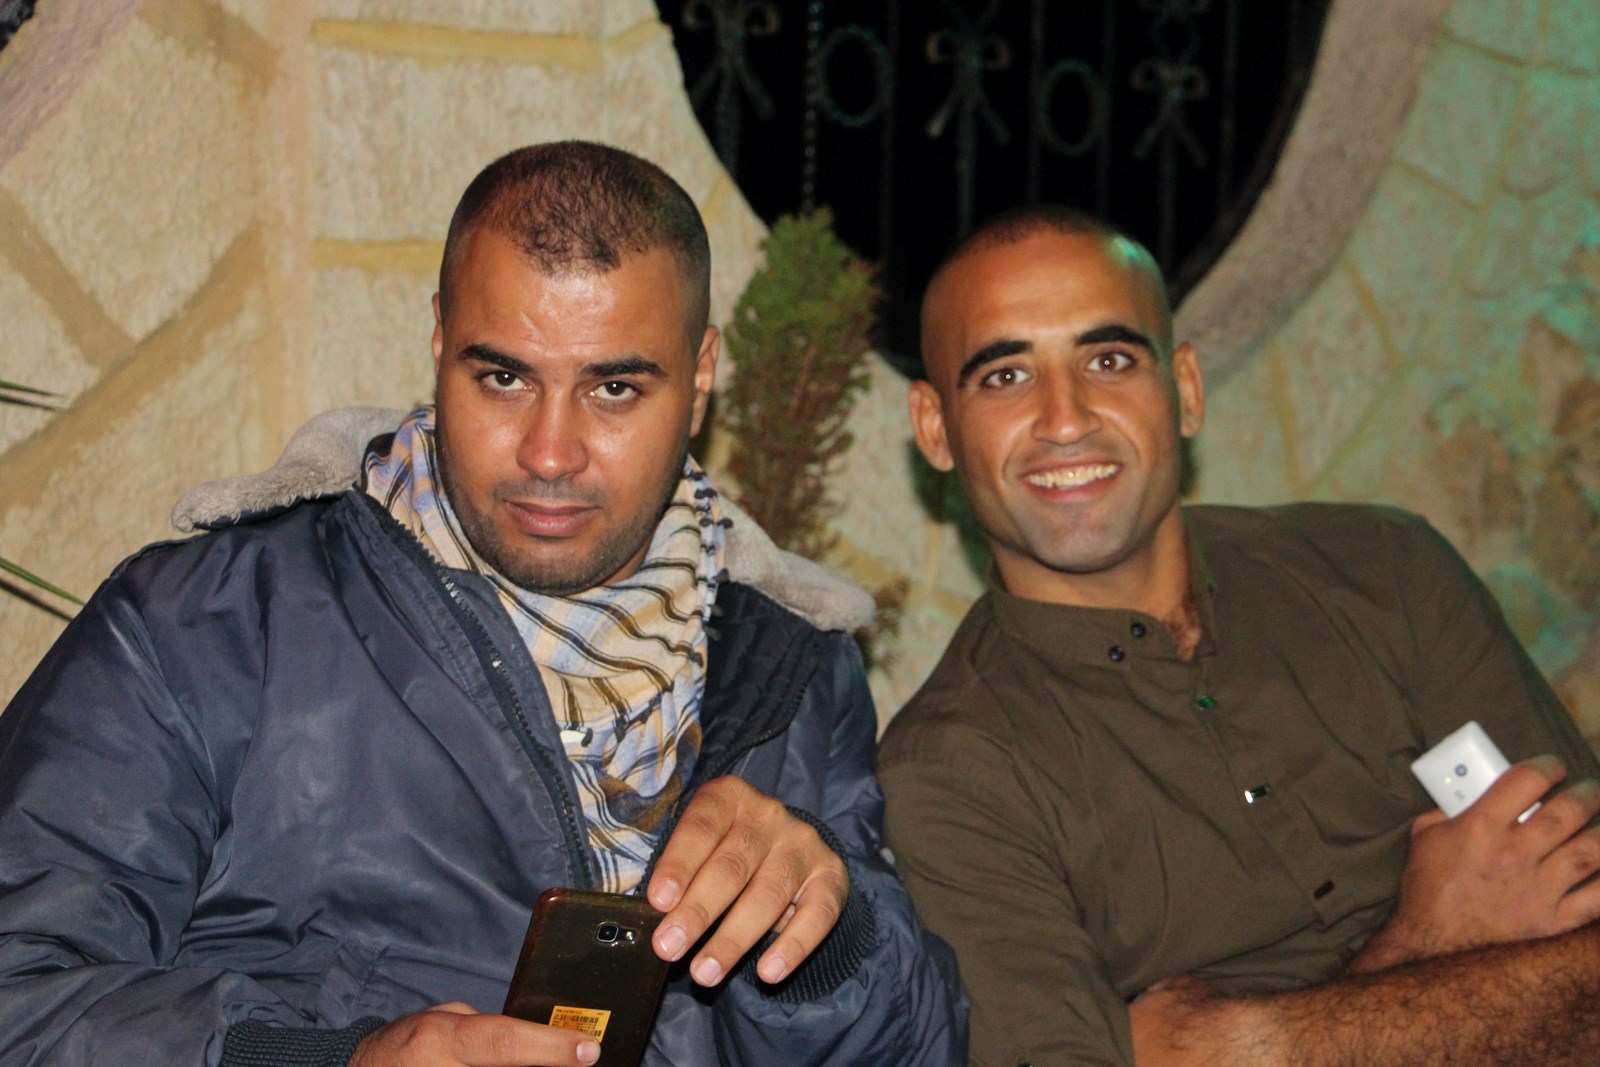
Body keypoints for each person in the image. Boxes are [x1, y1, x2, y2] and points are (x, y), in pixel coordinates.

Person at [0, 141, 966, 1067]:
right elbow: (19, 998)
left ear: (702, 374)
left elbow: (922, 1049)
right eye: (503, 377)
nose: (549, 453)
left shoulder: (794, 669)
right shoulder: (211, 622)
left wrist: (829, 942)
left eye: (614, 388)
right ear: (438, 340)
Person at [876, 205, 1600, 1067]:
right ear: (935, 428)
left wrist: (1224, 1043)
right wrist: (1424, 942)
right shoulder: (947, 773)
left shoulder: (1387, 571)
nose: (1065, 418)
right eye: (1005, 376)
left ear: (1184, 388)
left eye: (1109, 360)